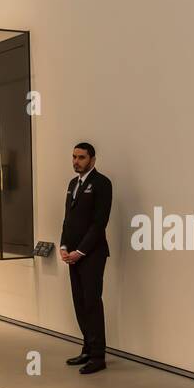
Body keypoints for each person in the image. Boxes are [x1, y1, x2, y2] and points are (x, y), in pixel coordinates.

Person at [60, 142, 112, 374]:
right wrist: (63, 246)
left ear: (92, 159)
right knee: (79, 303)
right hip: (72, 255)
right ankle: (87, 349)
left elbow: (99, 223)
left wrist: (80, 252)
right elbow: (68, 219)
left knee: (92, 303)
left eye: (81, 157)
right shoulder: (73, 183)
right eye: (74, 157)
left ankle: (98, 356)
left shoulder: (102, 184)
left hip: (92, 254)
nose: (76, 161)